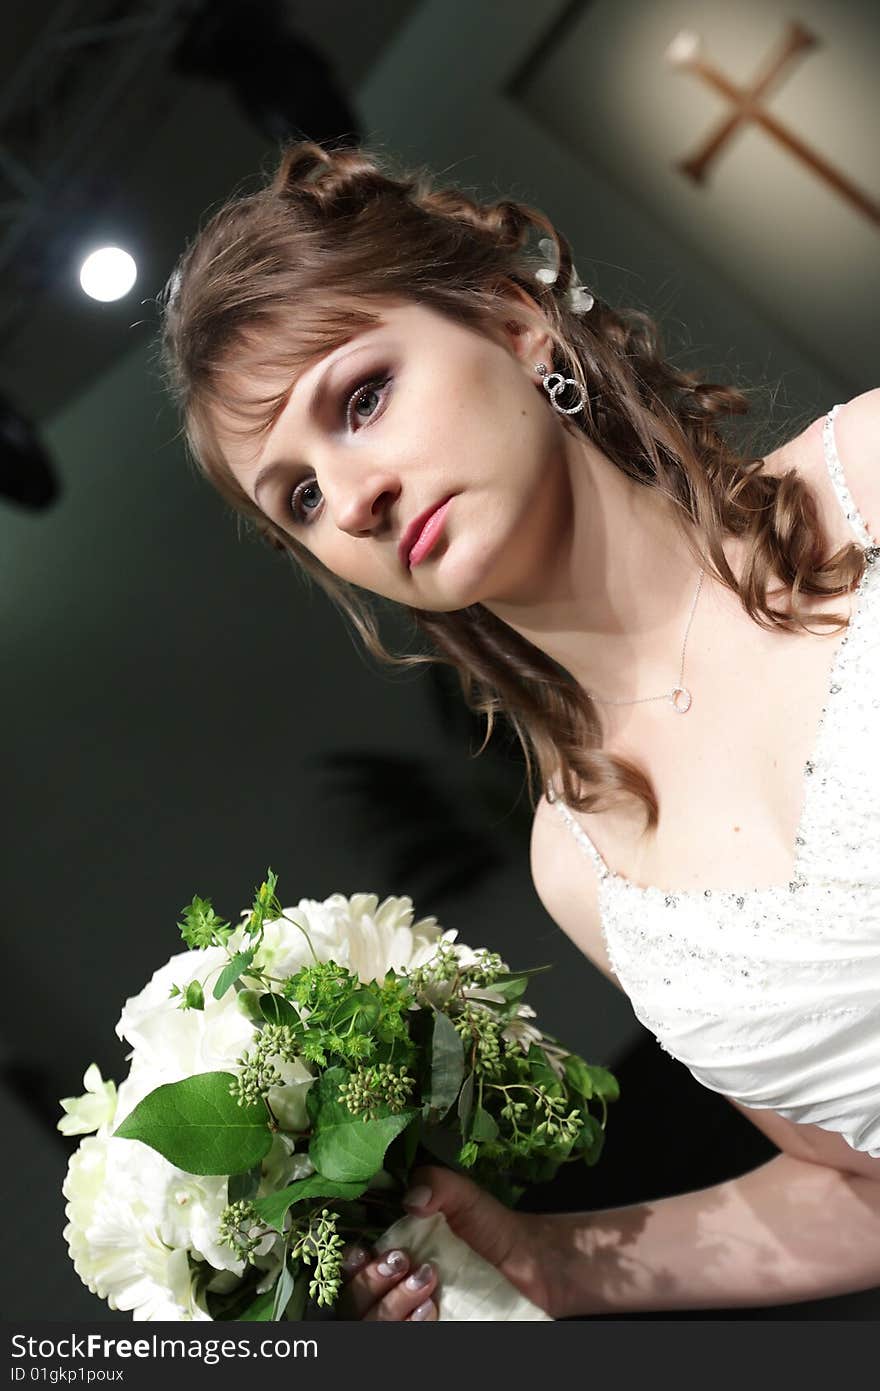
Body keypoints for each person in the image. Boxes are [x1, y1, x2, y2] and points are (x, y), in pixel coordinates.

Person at [159, 140, 880, 1320]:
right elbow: (857, 1185)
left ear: (512, 324)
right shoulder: (580, 861)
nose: (350, 498)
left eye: (361, 397)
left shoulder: (866, 483)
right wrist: (543, 1257)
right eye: (296, 497)